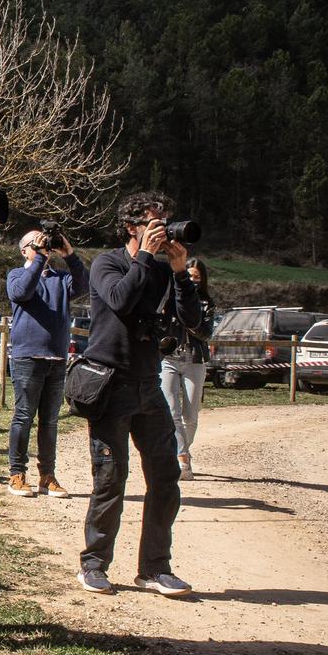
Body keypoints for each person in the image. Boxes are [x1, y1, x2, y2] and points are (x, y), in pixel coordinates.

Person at [78, 192, 202, 598]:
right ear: (132, 226)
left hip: (149, 383)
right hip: (110, 384)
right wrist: (144, 258)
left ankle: (154, 568)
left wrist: (180, 272)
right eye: (153, 222)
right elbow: (119, 299)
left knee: (166, 477)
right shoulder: (107, 263)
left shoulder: (167, 271)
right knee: (111, 479)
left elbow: (192, 319)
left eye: (165, 221)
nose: (162, 230)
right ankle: (94, 565)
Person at [5, 227, 88, 498]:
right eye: (35, 243)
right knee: (23, 416)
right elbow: (22, 293)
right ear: (24, 250)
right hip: (27, 357)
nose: (43, 247)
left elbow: (84, 286)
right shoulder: (17, 275)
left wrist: (70, 254)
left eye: (45, 243)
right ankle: (16, 474)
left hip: (56, 357)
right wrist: (39, 258)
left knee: (50, 421)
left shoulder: (61, 279)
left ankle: (47, 476)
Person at [159, 257, 216, 480]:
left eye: (196, 277)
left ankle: (183, 449)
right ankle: (182, 457)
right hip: (169, 358)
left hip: (194, 358)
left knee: (191, 414)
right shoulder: (170, 299)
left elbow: (206, 332)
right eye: (189, 275)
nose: (192, 280)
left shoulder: (206, 304)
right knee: (172, 411)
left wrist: (190, 319)